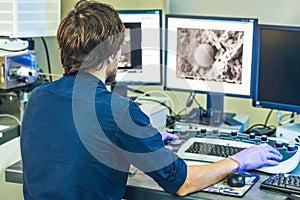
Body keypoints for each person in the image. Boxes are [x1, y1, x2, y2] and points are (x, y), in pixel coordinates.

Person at [20, 0, 283, 199]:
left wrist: (142, 139)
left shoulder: (37, 97)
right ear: (111, 54)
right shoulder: (118, 112)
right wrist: (239, 160)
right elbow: (183, 183)